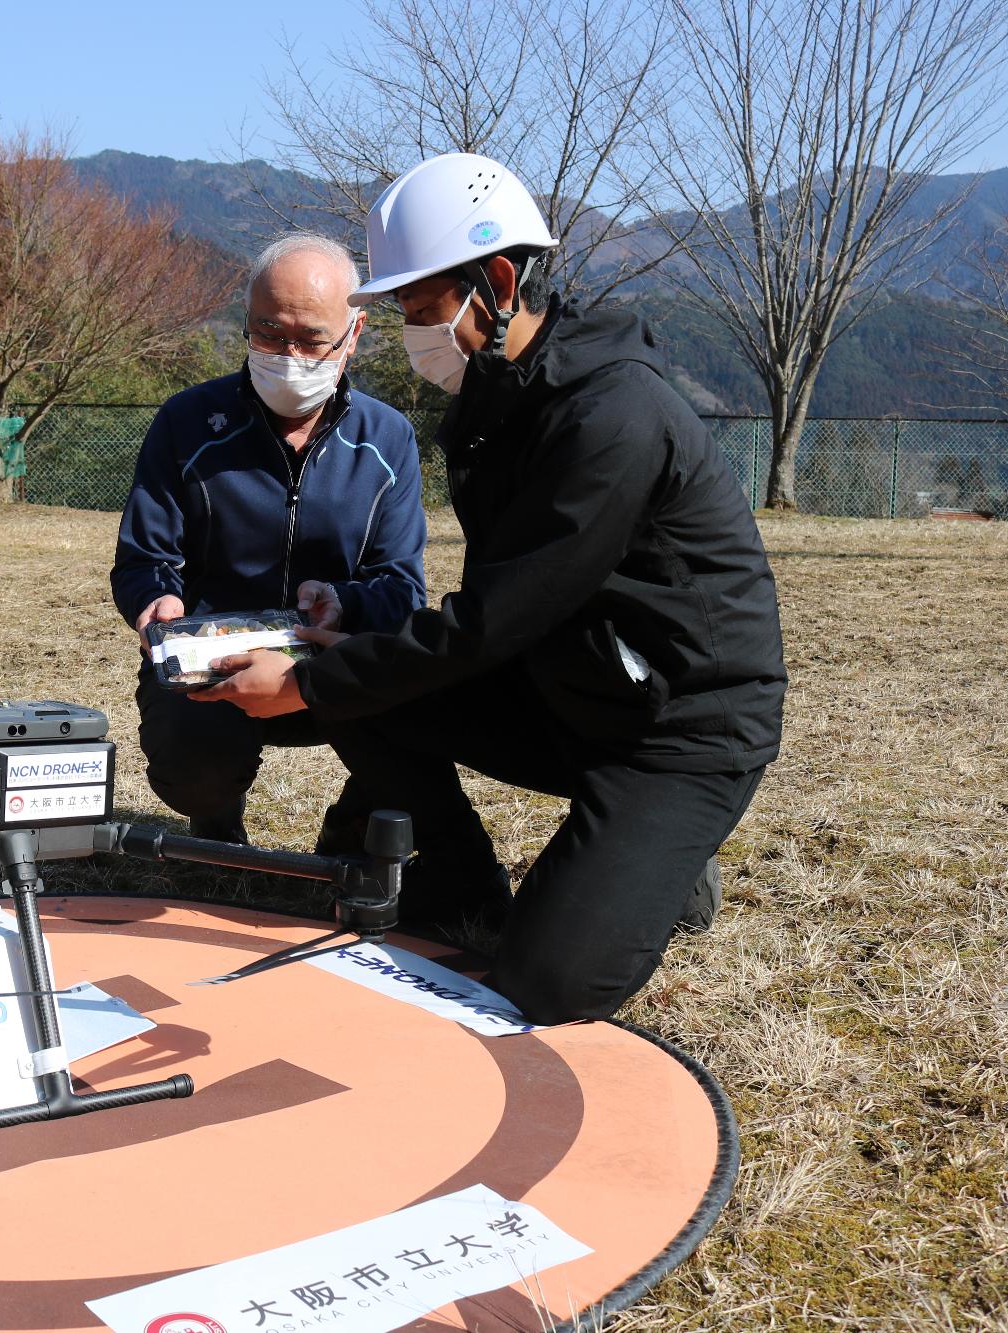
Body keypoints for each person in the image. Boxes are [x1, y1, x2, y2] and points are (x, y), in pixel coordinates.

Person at [195, 154, 786, 1025]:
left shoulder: (612, 417)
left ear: (498, 280)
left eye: (427, 310)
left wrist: (309, 681)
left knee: (549, 980)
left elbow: (498, 618)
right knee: (374, 684)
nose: (416, 334)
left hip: (678, 725)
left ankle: (664, 854)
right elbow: (489, 619)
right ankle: (458, 879)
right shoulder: (499, 398)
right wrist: (346, 659)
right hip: (570, 682)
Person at [111, 233, 426, 846]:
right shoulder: (187, 422)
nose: (287, 355)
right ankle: (214, 814)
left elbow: (402, 583)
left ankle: (354, 833)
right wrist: (156, 601)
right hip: (213, 660)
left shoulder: (387, 439)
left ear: (352, 334)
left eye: (309, 339)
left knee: (421, 701)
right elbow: (145, 558)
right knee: (188, 757)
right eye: (267, 332)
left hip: (333, 656)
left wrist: (348, 602)